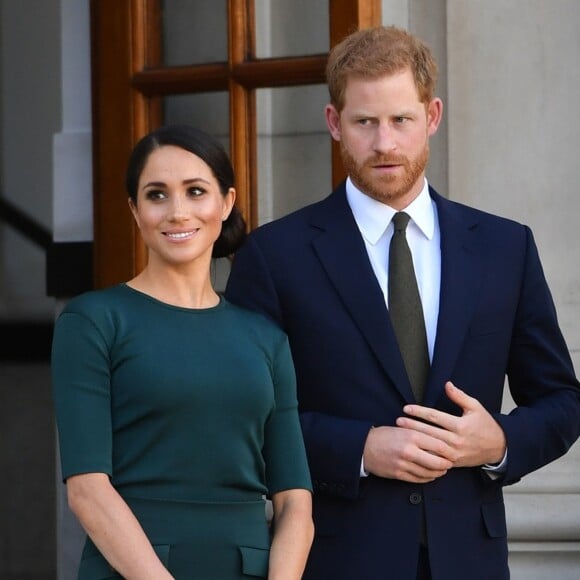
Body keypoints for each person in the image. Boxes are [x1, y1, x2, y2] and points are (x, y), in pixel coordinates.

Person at [225, 25, 580, 580]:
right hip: (337, 560)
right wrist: (359, 449)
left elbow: (562, 400)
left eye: (401, 120)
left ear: (432, 116)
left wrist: (499, 442)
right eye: (365, 122)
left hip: (470, 561)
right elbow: (242, 417)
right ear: (334, 123)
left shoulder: (505, 247)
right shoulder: (274, 255)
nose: (384, 143)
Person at [51, 124, 314, 579]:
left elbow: (295, 500)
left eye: (195, 191)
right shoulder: (93, 321)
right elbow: (87, 489)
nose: (177, 212)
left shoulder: (266, 339)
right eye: (157, 195)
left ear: (226, 202)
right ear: (135, 210)